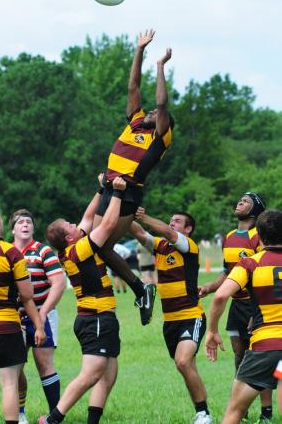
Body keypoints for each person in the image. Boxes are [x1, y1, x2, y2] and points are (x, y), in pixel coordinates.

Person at [92, 29, 174, 325]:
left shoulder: (160, 136)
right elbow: (132, 87)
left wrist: (160, 66)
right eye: (149, 111)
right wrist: (139, 50)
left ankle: (140, 289)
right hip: (108, 189)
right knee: (94, 246)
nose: (151, 111)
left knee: (97, 247)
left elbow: (162, 104)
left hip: (127, 192)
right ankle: (140, 289)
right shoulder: (136, 123)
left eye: (156, 113)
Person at [39, 177, 126, 424]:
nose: (76, 224)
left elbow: (88, 217)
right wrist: (117, 193)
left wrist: (102, 189)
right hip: (95, 318)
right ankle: (53, 419)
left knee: (109, 373)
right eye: (70, 225)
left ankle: (92, 421)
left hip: (99, 318)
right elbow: (107, 224)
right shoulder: (80, 250)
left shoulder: (74, 246)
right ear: (69, 238)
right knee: (91, 374)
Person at [130, 208, 212, 424]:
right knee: (187, 367)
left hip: (191, 316)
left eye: (177, 221)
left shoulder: (188, 246)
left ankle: (204, 414)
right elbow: (138, 233)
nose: (172, 223)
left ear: (188, 229)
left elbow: (166, 231)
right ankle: (203, 413)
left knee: (183, 362)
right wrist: (124, 211)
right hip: (170, 322)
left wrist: (144, 217)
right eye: (171, 221)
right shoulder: (161, 247)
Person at [199, 192, 273, 422]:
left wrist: (256, 309)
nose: (240, 202)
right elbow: (228, 273)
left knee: (260, 356)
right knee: (239, 357)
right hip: (236, 306)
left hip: (256, 306)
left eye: (246, 201)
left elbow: (261, 271)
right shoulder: (229, 236)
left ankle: (266, 412)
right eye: (240, 200)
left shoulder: (258, 237)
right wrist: (210, 287)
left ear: (256, 208)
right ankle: (242, 409)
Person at [0, 202, 46, 424]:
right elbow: (27, 296)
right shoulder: (11, 252)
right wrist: (39, 326)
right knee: (9, 384)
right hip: (7, 327)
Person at [10, 209, 66, 424]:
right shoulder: (7, 252)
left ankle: (55, 415)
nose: (25, 225)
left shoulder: (43, 251)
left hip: (44, 315)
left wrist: (42, 313)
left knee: (45, 365)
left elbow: (58, 284)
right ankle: (20, 413)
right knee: (15, 366)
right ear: (13, 228)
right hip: (15, 318)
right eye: (20, 222)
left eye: (29, 222)